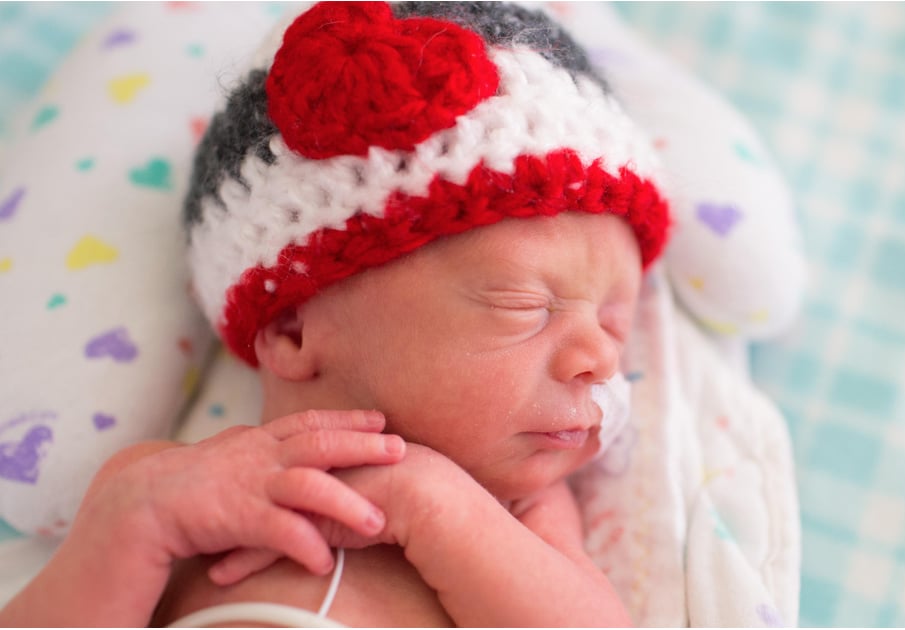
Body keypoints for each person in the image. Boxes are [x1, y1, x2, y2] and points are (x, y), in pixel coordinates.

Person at [0, 1, 671, 626]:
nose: (603, 359)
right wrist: (134, 528)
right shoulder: (169, 487)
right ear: (293, 328)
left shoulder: (524, 517)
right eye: (526, 305)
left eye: (614, 321)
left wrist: (432, 504)